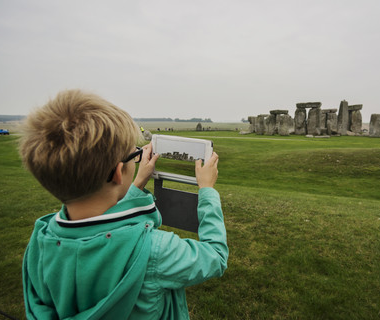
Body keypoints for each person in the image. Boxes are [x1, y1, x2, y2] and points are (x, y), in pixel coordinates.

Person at [19, 89, 228, 319]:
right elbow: (215, 256)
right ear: (119, 173)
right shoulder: (153, 250)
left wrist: (137, 183)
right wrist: (207, 190)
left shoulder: (40, 242)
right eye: (134, 155)